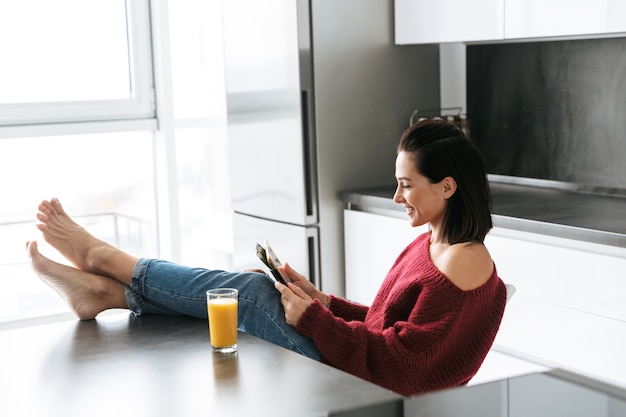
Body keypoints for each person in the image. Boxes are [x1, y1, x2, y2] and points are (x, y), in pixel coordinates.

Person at [26, 118, 507, 397]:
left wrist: (317, 322)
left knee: (254, 291)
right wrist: (323, 301)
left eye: (407, 185)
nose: (398, 197)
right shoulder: (436, 244)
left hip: (378, 390)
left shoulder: (461, 263)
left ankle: (105, 261)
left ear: (447, 186)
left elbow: (406, 369)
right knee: (257, 281)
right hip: (369, 367)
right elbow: (391, 327)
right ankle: (107, 293)